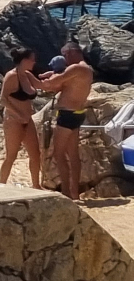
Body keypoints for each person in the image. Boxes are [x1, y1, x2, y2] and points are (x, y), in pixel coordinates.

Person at [35, 41, 95, 201]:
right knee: (73, 155)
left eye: (66, 55)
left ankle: (67, 193)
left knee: (58, 154)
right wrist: (52, 77)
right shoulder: (86, 69)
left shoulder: (76, 68)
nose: (65, 59)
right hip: (77, 113)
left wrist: (43, 81)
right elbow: (63, 83)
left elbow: (55, 83)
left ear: (71, 53)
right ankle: (75, 193)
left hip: (67, 115)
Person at [0, 48, 43, 189]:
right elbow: (3, 100)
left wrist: (59, 77)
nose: (34, 62)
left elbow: (42, 85)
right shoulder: (11, 76)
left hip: (27, 120)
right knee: (11, 156)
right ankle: (1, 185)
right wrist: (19, 114)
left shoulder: (27, 75)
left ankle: (36, 185)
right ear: (24, 60)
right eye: (32, 59)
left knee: (35, 154)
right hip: (13, 120)